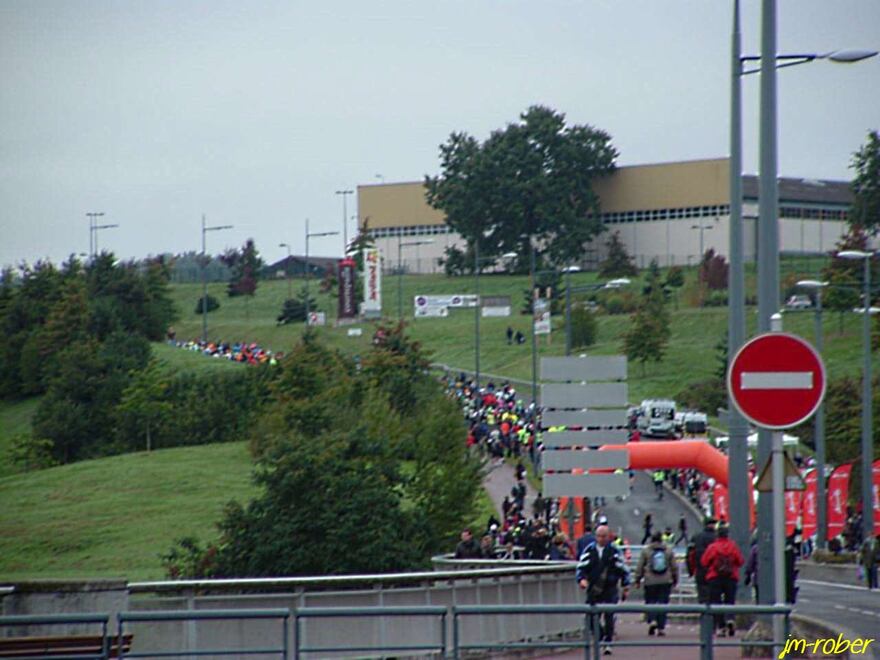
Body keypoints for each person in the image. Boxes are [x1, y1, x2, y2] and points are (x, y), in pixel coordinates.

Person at [576, 525, 631, 655]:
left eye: (604, 536)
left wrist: (626, 585)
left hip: (610, 588)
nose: (601, 539)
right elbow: (581, 566)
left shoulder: (614, 551)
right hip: (594, 588)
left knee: (609, 616)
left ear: (608, 536)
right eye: (599, 536)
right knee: (590, 617)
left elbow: (623, 569)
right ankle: (600, 636)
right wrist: (581, 579)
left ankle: (608, 643)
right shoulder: (589, 550)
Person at [701, 525, 744, 637]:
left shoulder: (713, 547)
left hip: (714, 577)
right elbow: (740, 561)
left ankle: (721, 626)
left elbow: (704, 562)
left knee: (716, 602)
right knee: (730, 600)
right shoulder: (733, 546)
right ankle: (730, 618)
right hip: (731, 577)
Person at [634, 531, 679, 636]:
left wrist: (637, 579)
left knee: (650, 602)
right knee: (663, 603)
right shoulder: (668, 550)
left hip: (650, 581)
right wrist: (675, 579)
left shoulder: (646, 551)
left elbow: (640, 566)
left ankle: (652, 619)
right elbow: (674, 567)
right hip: (665, 580)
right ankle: (661, 627)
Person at [690, 517, 717, 604]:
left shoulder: (697, 537)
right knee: (714, 595)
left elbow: (690, 555)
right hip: (715, 571)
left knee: (702, 595)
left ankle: (704, 615)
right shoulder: (717, 538)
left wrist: (691, 570)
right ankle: (714, 616)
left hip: (700, 570)